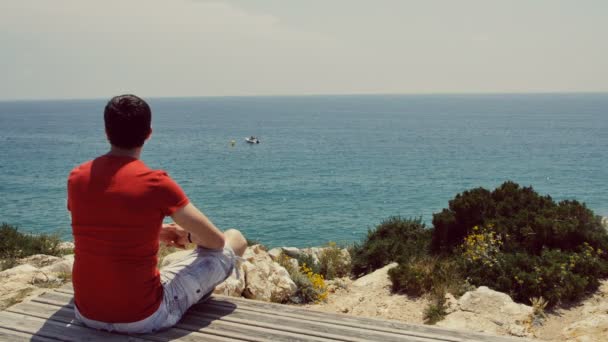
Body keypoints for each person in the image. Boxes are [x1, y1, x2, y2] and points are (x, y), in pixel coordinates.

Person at [67, 94, 247, 333]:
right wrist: (189, 237)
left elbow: (99, 225)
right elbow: (215, 241)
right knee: (234, 240)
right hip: (144, 317)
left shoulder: (77, 178)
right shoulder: (156, 184)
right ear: (149, 133)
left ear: (106, 132)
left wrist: (156, 232)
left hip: (86, 313)